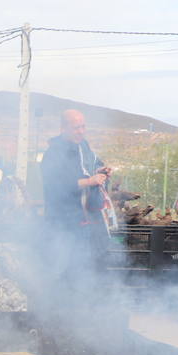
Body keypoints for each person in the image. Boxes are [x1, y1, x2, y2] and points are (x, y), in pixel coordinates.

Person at [40, 110, 111, 285]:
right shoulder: (53, 153)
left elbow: (93, 165)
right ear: (63, 128)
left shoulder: (84, 147)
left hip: (85, 218)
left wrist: (101, 171)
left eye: (83, 127)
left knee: (86, 264)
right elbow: (56, 185)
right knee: (65, 265)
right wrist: (89, 181)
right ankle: (62, 306)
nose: (80, 131)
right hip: (62, 221)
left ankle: (82, 303)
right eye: (75, 128)